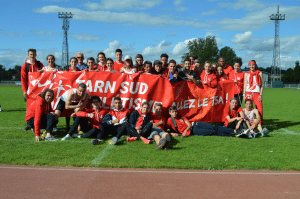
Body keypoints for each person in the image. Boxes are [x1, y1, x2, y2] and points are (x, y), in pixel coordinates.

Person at [243, 60, 264, 124]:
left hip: (256, 93)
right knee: (248, 108)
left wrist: (261, 94)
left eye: (253, 65)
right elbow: (245, 84)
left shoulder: (259, 73)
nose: (251, 66)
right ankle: (248, 122)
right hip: (248, 92)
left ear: (255, 65)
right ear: (248, 66)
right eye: (250, 65)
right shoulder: (246, 74)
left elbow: (262, 85)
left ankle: (259, 124)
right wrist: (244, 94)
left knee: (259, 109)